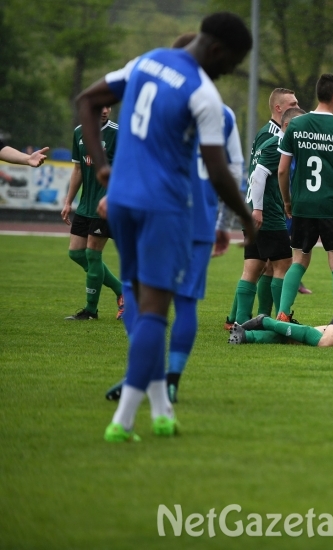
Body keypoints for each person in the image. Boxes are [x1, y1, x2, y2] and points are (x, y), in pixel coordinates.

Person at [77, 11, 256, 442]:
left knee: (139, 303)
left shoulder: (147, 61)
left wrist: (103, 168)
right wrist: (248, 220)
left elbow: (87, 100)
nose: (228, 72)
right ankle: (122, 422)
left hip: (121, 202)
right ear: (215, 50)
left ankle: (161, 411)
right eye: (230, 63)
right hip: (164, 208)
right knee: (157, 313)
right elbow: (219, 170)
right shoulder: (204, 95)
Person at [276, 73, 333, 321]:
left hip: (303, 205)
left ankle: (283, 312)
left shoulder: (296, 125)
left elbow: (282, 170)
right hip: (332, 207)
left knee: (299, 261)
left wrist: (287, 201)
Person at [224, 88, 302, 329]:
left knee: (256, 265)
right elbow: (259, 174)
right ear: (280, 110)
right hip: (266, 211)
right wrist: (258, 208)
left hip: (259, 208)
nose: (296, 106)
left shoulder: (271, 136)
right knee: (282, 264)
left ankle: (245, 320)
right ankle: (277, 321)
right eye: (292, 104)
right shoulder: (273, 137)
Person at [61, 106, 124, 321]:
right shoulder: (79, 132)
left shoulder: (118, 133)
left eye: (108, 106)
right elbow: (78, 170)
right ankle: (123, 291)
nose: (104, 110)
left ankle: (90, 311)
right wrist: (69, 202)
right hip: (85, 205)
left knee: (92, 254)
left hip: (106, 205)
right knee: (76, 253)